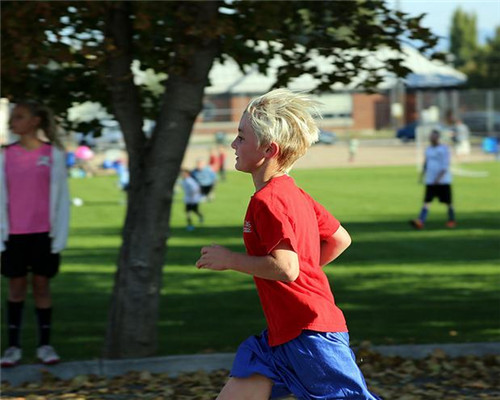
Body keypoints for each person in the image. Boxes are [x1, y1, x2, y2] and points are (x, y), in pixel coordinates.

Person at [196, 89, 380, 399]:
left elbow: (286, 268)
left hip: (310, 333)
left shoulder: (269, 201)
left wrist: (230, 259)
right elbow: (339, 239)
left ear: (269, 149)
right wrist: (303, 271)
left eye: (241, 137)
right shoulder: (294, 193)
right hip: (281, 337)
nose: (233, 144)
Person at [0, 101, 70, 367]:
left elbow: (61, 198)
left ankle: (45, 346)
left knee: (42, 287)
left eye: (19, 117)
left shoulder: (53, 155)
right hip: (12, 236)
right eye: (12, 117)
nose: (12, 122)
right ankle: (13, 347)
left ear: (35, 121)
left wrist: (58, 235)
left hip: (43, 234)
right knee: (15, 288)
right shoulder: (5, 155)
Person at [410, 129, 456, 230]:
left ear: (438, 137)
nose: (431, 138)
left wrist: (438, 179)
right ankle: (420, 221)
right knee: (427, 201)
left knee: (448, 202)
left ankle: (451, 220)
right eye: (430, 136)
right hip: (430, 180)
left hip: (443, 181)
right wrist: (422, 175)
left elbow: (445, 165)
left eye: (433, 136)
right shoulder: (428, 149)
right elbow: (426, 163)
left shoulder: (444, 149)